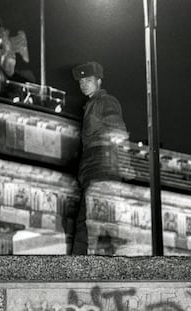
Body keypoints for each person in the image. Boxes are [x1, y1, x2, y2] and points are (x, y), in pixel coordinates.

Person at [66, 61, 128, 255]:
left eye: (88, 80)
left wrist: (118, 165)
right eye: (81, 81)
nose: (83, 84)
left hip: (101, 167)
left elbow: (118, 132)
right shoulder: (90, 105)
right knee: (86, 222)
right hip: (91, 169)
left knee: (92, 223)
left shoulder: (106, 101)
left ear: (99, 81)